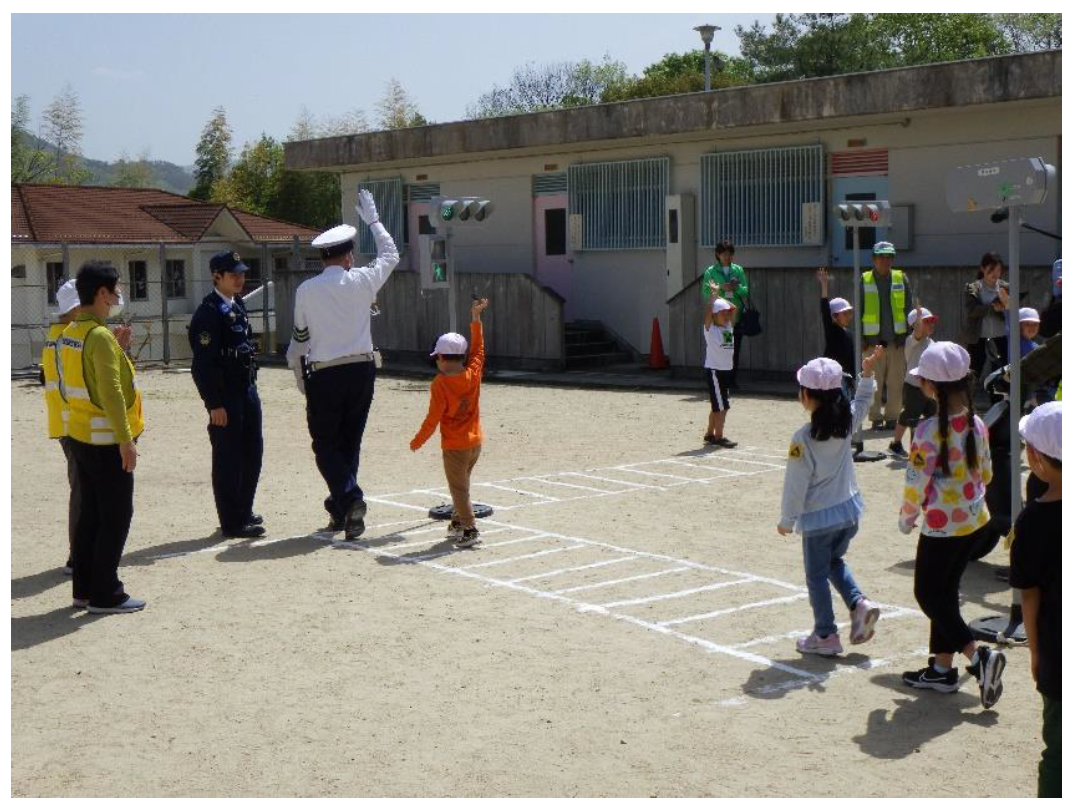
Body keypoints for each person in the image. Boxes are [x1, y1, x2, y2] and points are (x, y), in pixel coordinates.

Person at [286, 189, 399, 539]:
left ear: (324, 258)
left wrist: (298, 376)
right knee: (350, 442)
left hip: (325, 373)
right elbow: (391, 254)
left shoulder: (306, 290)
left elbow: (300, 340)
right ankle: (343, 511)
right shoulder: (363, 279)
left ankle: (349, 499)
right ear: (349, 256)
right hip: (362, 369)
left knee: (325, 444)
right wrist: (375, 222)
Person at [898, 341, 1005, 707]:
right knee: (945, 592)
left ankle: (979, 657)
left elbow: (915, 483)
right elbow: (986, 472)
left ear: (932, 387)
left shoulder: (927, 431)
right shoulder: (977, 422)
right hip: (975, 520)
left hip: (942, 527)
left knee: (928, 594)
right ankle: (942, 669)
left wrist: (907, 517)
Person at [777, 349, 883, 656]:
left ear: (807, 396)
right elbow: (862, 404)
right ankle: (858, 604)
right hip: (848, 512)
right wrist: (866, 376)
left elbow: (795, 485)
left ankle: (825, 634)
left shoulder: (804, 437)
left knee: (816, 576)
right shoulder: (845, 424)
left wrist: (787, 519)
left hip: (819, 519)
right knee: (834, 562)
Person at [58, 261, 145, 614]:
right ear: (102, 293)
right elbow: (110, 392)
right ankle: (107, 591)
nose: (118, 295)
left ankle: (84, 589)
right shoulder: (99, 336)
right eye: (116, 289)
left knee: (90, 515)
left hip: (79, 435)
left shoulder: (70, 334)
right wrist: (126, 439)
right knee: (116, 514)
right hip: (106, 439)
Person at [188, 251, 264, 539]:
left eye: (242, 273)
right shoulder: (207, 314)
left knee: (252, 453)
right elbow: (202, 366)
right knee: (229, 458)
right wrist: (214, 404)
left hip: (246, 389)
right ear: (216, 276)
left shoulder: (237, 304)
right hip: (225, 396)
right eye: (233, 274)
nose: (240, 279)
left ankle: (243, 509)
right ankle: (231, 520)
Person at [1007, 401, 1061, 798]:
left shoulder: (1033, 522)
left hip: (1060, 651)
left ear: (1036, 458)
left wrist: (1035, 653)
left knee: (1059, 753)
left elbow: (1029, 595)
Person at [410, 298, 490, 548]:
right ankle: (457, 523)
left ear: (443, 358)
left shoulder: (440, 384)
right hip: (475, 442)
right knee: (462, 484)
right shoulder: (473, 373)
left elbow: (433, 418)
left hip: (455, 446)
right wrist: (476, 320)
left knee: (459, 490)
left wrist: (418, 440)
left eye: (437, 358)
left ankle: (469, 528)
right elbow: (478, 351)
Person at [43, 280, 82, 574]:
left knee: (84, 488)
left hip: (71, 423)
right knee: (83, 490)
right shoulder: (66, 338)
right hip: (74, 426)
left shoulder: (61, 335)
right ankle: (78, 556)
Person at [859, 241, 913, 430]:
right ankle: (875, 418)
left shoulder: (901, 278)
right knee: (873, 382)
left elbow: (908, 309)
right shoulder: (864, 279)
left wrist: (907, 335)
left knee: (896, 383)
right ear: (874, 259)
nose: (886, 260)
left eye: (889, 256)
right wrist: (861, 339)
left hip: (896, 341)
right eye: (882, 256)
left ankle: (892, 417)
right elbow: (858, 309)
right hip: (871, 343)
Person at [888, 303, 937, 458]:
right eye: (926, 321)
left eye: (930, 321)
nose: (930, 324)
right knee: (911, 416)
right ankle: (899, 445)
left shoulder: (931, 342)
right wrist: (918, 323)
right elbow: (917, 332)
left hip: (929, 388)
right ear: (915, 326)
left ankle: (926, 447)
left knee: (931, 416)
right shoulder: (912, 340)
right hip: (914, 386)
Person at [700, 240, 749, 386]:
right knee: (718, 348)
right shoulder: (711, 271)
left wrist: (736, 288)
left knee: (732, 349)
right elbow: (705, 292)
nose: (727, 257)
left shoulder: (738, 270)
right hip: (718, 320)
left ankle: (731, 381)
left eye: (730, 254)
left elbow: (745, 290)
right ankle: (718, 380)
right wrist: (722, 288)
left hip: (734, 318)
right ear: (718, 255)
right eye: (724, 254)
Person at [963, 251, 1010, 381]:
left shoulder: (1006, 287)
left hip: (1001, 337)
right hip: (978, 338)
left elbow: (1012, 312)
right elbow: (971, 311)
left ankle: (1000, 401)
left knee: (1001, 375)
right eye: (991, 270)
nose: (995, 274)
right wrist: (991, 308)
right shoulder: (973, 287)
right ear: (982, 269)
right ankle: (968, 400)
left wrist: (1004, 309)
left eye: (998, 270)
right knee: (973, 373)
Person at [701, 286, 737, 448]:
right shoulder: (710, 329)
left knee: (719, 405)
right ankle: (719, 437)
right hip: (715, 371)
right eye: (722, 312)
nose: (727, 314)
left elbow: (734, 307)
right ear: (715, 315)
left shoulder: (728, 327)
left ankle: (710, 433)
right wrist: (713, 298)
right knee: (722, 406)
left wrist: (721, 297)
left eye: (726, 312)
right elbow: (708, 315)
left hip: (726, 371)